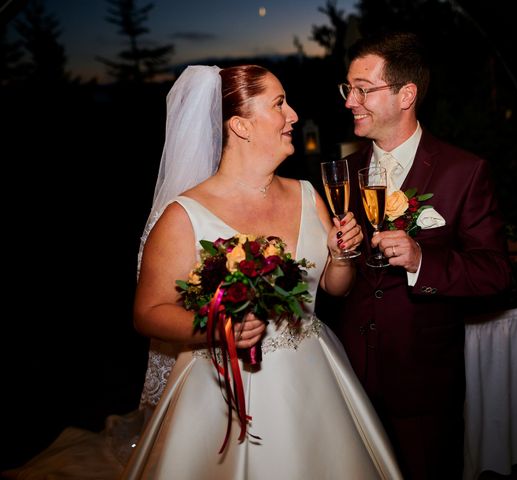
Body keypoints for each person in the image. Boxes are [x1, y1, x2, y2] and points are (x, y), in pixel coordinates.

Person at [120, 64, 403, 479]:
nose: (293, 116)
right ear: (240, 125)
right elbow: (147, 313)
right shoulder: (184, 216)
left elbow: (335, 287)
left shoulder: (308, 194)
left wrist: (341, 254)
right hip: (223, 393)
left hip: (313, 379)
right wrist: (218, 329)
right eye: (279, 104)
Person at [329, 32, 513, 479]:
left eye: (363, 89)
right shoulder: (343, 173)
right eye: (347, 89)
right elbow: (338, 282)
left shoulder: (463, 172)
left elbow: (495, 274)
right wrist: (339, 254)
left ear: (406, 94)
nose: (351, 100)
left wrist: (420, 262)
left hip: (423, 384)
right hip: (349, 378)